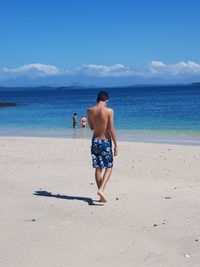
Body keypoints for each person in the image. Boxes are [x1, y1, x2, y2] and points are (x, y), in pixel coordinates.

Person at [87, 91, 118, 203]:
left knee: (98, 168)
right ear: (106, 100)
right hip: (105, 141)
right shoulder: (109, 111)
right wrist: (116, 145)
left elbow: (91, 127)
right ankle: (101, 189)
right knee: (109, 166)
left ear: (97, 99)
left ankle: (101, 195)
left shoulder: (90, 110)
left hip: (95, 140)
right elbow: (111, 129)